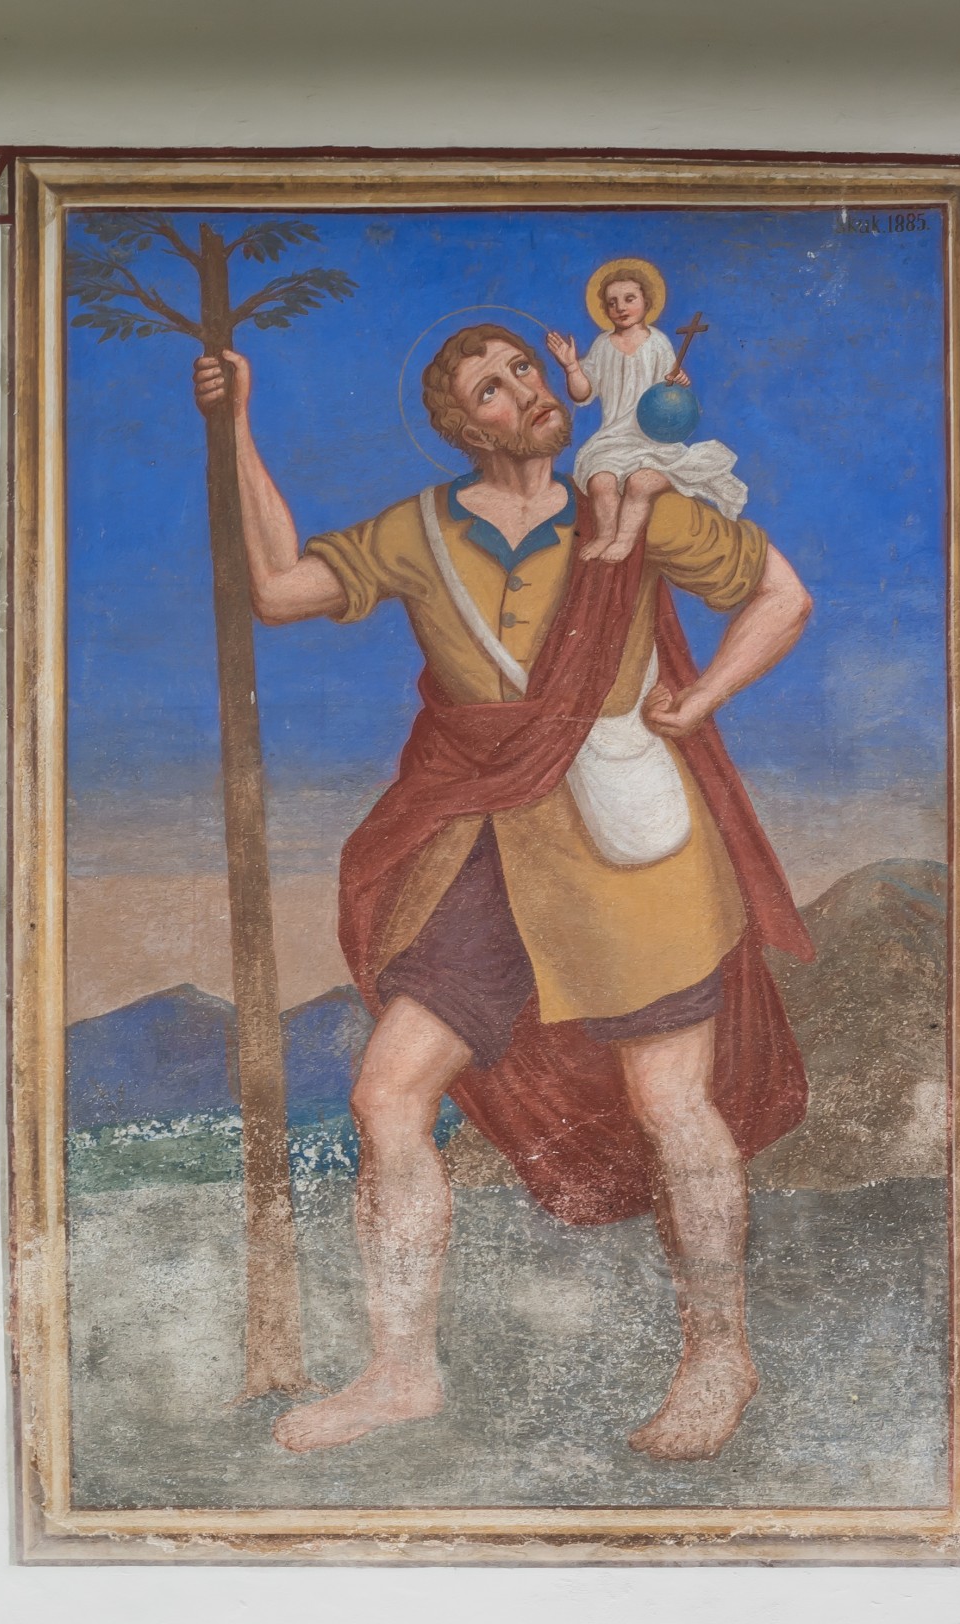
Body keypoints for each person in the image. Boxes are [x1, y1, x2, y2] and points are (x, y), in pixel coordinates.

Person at [188, 327, 816, 1463]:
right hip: (480, 841)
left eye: (526, 370)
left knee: (671, 1103)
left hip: (628, 846)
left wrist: (704, 694)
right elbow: (279, 591)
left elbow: (778, 594)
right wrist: (232, 427)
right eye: (494, 385)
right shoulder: (418, 533)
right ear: (462, 423)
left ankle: (717, 1355)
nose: (525, 391)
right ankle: (399, 1371)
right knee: (387, 1096)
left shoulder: (627, 500)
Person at [544, 257, 745, 563]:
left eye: (629, 299)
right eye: (612, 303)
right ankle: (605, 535)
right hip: (613, 440)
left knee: (640, 482)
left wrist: (678, 382)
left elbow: (670, 394)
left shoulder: (658, 343)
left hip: (652, 441)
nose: (620, 307)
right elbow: (583, 393)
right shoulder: (602, 345)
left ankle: (623, 541)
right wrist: (572, 366)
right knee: (601, 482)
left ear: (646, 302)